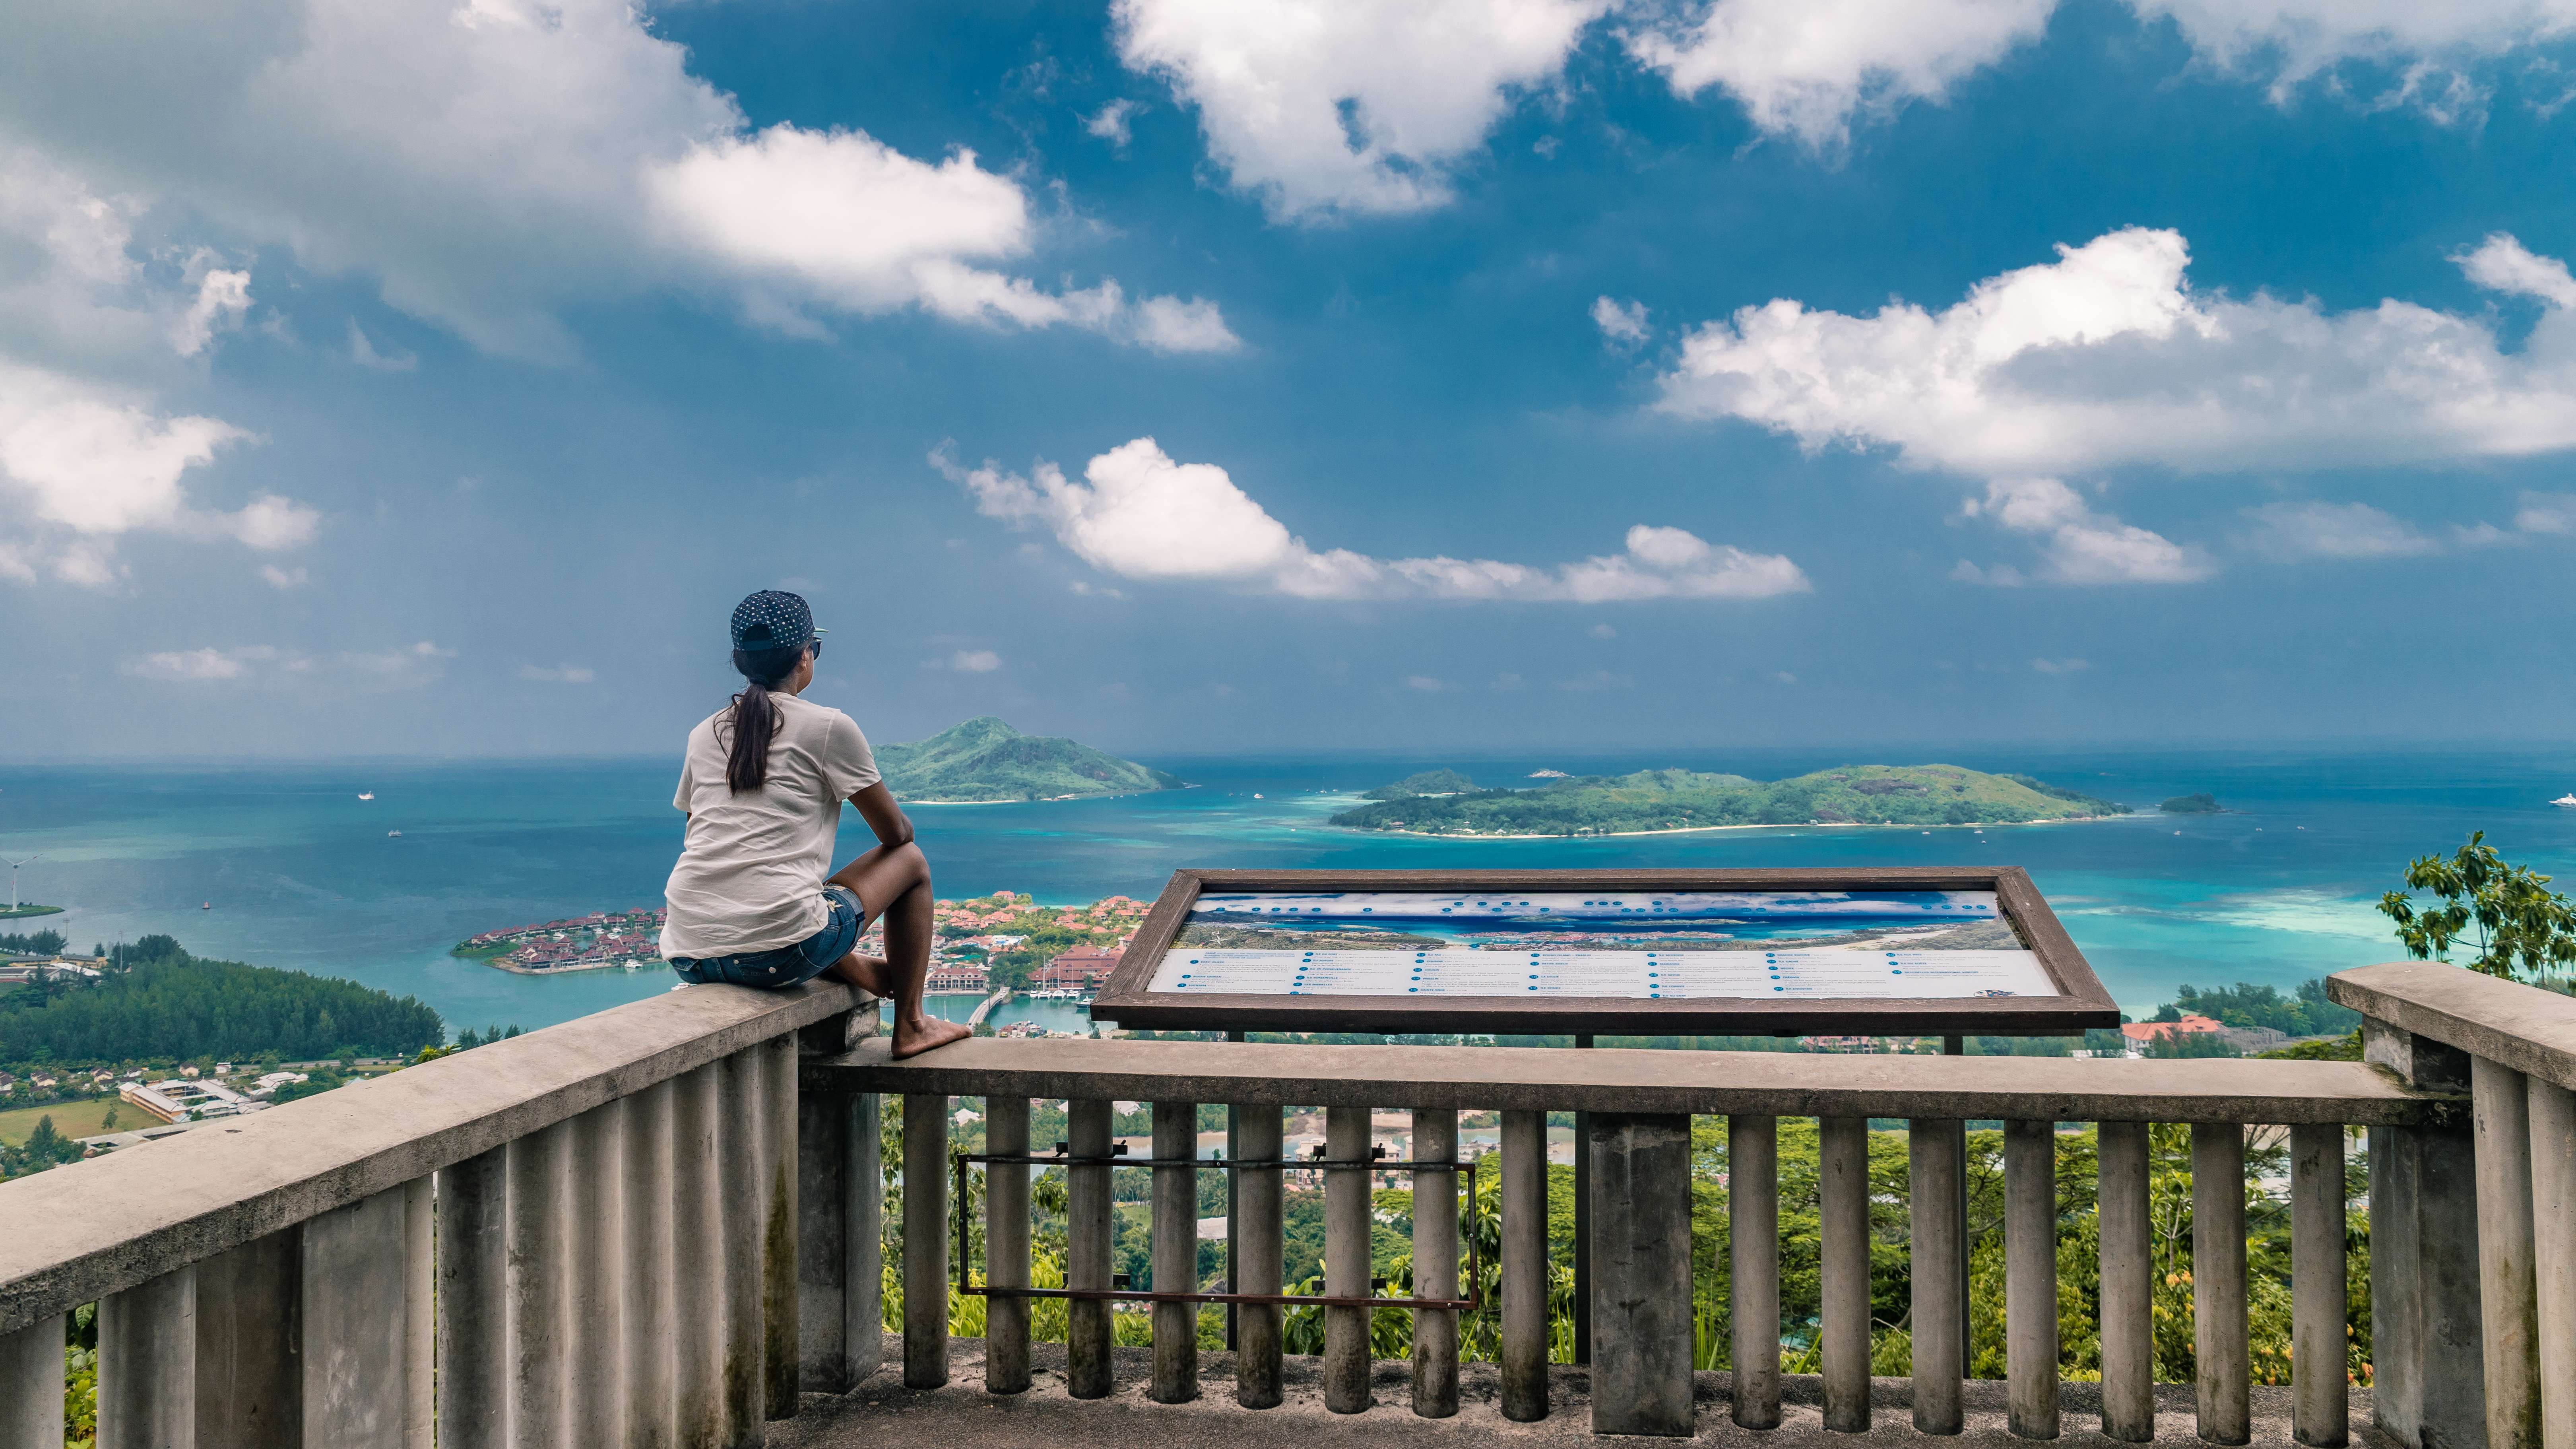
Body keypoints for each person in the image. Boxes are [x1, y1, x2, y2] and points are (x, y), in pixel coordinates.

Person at [661, 590, 970, 1059]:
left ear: (741, 661)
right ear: (806, 656)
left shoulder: (704, 733)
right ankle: (911, 1024)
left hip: (690, 954)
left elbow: (698, 833)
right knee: (911, 862)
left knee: (790, 896)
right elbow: (897, 836)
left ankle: (855, 966)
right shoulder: (828, 727)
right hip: (778, 955)